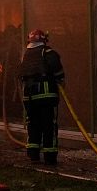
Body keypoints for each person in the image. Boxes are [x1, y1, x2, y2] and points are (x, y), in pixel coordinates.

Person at [17, 29, 65, 165]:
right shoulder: (49, 53)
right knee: (49, 125)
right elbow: (58, 71)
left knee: (33, 124)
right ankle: (50, 157)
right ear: (44, 40)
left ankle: (33, 155)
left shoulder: (25, 55)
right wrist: (60, 80)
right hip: (46, 94)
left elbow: (20, 73)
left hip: (29, 96)